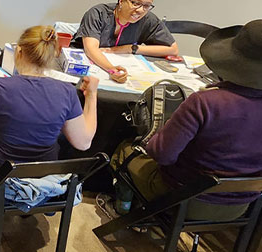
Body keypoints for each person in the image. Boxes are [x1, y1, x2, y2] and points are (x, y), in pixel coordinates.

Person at [111, 19, 262, 220]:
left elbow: (162, 155)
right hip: (240, 206)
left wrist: (160, 136)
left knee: (126, 149)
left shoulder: (204, 102)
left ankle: (124, 211)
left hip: (183, 198)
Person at [0, 26, 98, 178]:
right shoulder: (67, 92)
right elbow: (84, 143)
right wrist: (92, 95)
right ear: (53, 55)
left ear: (19, 51)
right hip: (42, 177)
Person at [71, 0, 178, 83]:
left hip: (120, 70)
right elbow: (91, 49)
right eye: (136, 3)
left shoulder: (148, 19)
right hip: (83, 68)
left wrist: (130, 48)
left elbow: (173, 49)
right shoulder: (98, 13)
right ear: (121, 1)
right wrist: (112, 70)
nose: (141, 10)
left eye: (147, 6)